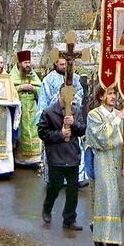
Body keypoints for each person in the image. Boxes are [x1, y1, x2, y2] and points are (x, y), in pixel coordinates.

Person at [85, 85, 124, 246]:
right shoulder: (94, 115)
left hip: (118, 161)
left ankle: (98, 229)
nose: (113, 97)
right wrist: (116, 120)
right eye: (109, 93)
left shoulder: (120, 115)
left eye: (115, 93)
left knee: (120, 203)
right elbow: (100, 139)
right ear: (101, 96)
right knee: (109, 202)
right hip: (103, 161)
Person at [37, 91, 87, 230]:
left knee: (73, 190)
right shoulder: (49, 112)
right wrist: (60, 134)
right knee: (55, 186)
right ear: (61, 95)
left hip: (72, 155)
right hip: (56, 156)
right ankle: (47, 208)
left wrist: (74, 123)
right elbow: (42, 132)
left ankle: (69, 219)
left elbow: (82, 129)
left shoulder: (76, 111)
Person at [38, 56, 88, 186]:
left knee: (74, 146)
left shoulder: (75, 78)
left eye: (66, 64)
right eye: (61, 64)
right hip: (54, 118)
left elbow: (80, 95)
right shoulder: (48, 79)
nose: (64, 67)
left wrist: (71, 101)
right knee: (54, 148)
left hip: (71, 116)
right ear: (56, 64)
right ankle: (54, 179)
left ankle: (76, 178)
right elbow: (44, 100)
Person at [9, 50, 42, 167]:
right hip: (19, 107)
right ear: (19, 63)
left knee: (33, 129)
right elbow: (9, 89)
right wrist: (21, 87)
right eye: (25, 62)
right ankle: (21, 157)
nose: (27, 65)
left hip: (32, 107)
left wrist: (33, 88)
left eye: (29, 62)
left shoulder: (32, 74)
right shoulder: (12, 75)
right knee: (21, 130)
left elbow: (40, 88)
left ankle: (35, 157)